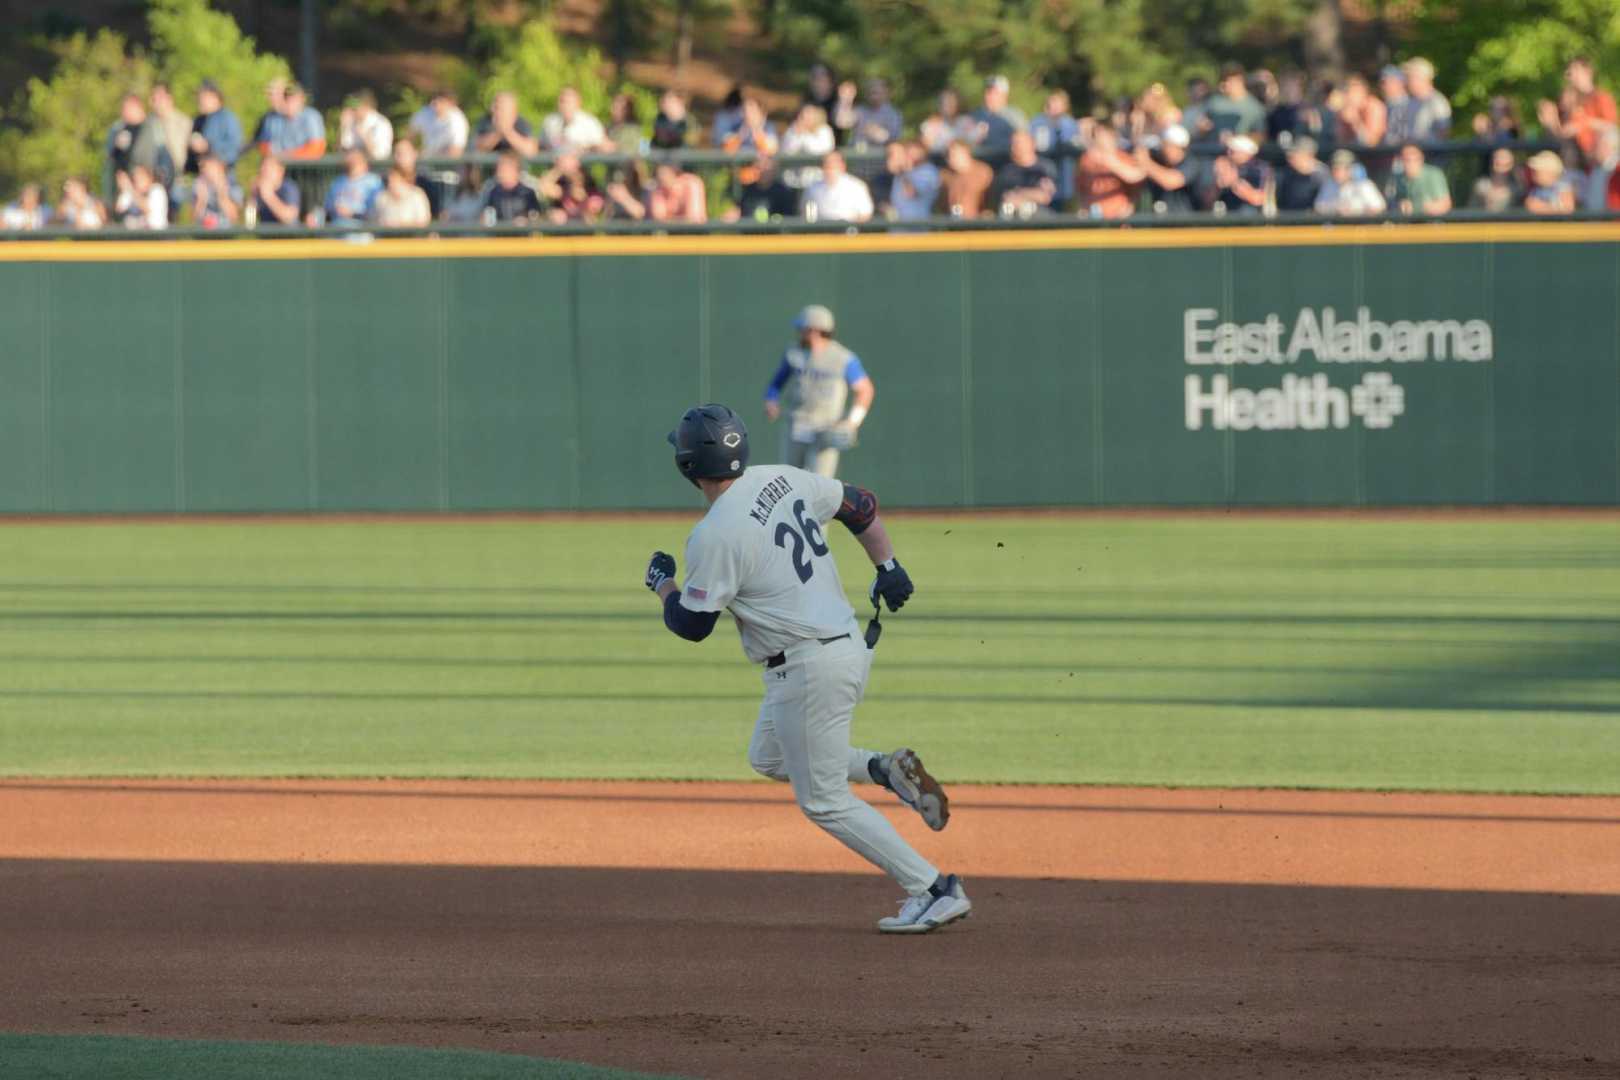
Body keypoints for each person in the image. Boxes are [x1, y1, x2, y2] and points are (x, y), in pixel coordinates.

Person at [646, 405, 968, 935]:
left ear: (687, 466)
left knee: (823, 802)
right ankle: (884, 770)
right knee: (770, 756)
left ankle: (933, 889)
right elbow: (859, 504)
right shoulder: (780, 477)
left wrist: (661, 581)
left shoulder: (714, 535)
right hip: (843, 648)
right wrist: (888, 566)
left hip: (808, 670)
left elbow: (691, 624)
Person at [762, 305, 875, 477]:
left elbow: (865, 390)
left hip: (825, 428)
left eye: (802, 328)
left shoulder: (843, 358)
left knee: (820, 484)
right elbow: (776, 383)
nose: (799, 332)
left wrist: (852, 422)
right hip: (797, 424)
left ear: (814, 330)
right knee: (789, 481)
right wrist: (771, 400)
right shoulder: (794, 353)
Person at [1539, 57, 1618, 160]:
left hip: (1599, 156)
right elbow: (1562, 133)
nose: (1571, 77)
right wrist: (1551, 121)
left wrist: (1583, 124)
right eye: (1569, 73)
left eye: (1575, 71)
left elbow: (1612, 127)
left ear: (1588, 72)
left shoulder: (1600, 97)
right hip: (1577, 157)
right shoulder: (1568, 100)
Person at [107, 93, 174, 191]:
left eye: (126, 109)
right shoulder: (120, 129)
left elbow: (164, 158)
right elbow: (113, 159)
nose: (123, 112)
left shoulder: (153, 128)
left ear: (137, 107)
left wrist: (158, 183)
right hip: (126, 187)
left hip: (148, 188)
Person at [1075, 124, 1144, 219]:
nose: (1100, 141)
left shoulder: (1123, 158)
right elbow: (1081, 187)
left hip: (1119, 216)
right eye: (1096, 137)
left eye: (1105, 137)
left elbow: (1135, 177)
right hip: (1094, 216)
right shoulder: (1087, 160)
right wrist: (1084, 207)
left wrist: (1108, 161)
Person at [1135, 124, 1201, 213]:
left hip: (1184, 223)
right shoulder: (1158, 160)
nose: (1164, 149)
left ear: (1179, 147)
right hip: (1157, 222)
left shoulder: (1191, 162)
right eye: (1164, 145)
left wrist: (1146, 162)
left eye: (1168, 145)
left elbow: (1170, 181)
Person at [1029, 90, 1080, 204]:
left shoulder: (1069, 123)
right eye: (1053, 102)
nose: (1055, 106)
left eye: (1059, 103)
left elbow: (1073, 143)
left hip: (1064, 167)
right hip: (1043, 164)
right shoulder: (1038, 122)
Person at [992, 130, 1057, 216]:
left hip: (1040, 215)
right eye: (1013, 144)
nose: (1015, 147)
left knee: (1027, 209)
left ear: (1032, 144)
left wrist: (1021, 194)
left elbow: (1044, 197)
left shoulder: (1045, 168)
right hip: (1012, 214)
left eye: (1020, 143)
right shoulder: (1006, 171)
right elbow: (1005, 197)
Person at [185, 81, 243, 177]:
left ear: (216, 97)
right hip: (201, 175)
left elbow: (236, 148)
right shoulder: (199, 120)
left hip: (223, 177)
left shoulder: (227, 118)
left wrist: (209, 146)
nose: (199, 100)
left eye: (203, 97)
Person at [314, 146, 382, 227]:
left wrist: (352, 214)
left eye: (356, 158)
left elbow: (375, 211)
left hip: (361, 227)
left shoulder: (373, 181)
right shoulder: (338, 181)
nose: (352, 161)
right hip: (336, 225)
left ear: (364, 161)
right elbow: (327, 206)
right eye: (350, 157)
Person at [802, 150, 872, 222]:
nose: (829, 168)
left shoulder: (857, 186)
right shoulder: (812, 188)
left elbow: (865, 215)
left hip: (849, 230)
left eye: (833, 165)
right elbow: (805, 214)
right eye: (826, 164)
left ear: (842, 166)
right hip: (820, 231)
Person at [1315, 149, 1386, 216]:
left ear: (1351, 169)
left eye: (1341, 168)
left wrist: (1355, 210)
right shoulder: (1329, 185)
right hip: (1337, 226)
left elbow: (1379, 207)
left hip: (1361, 226)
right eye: (1335, 168)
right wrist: (1336, 209)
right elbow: (1319, 207)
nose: (1337, 172)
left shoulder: (1364, 185)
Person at [881, 140, 940, 221]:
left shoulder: (928, 171)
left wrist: (904, 169)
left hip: (917, 228)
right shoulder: (901, 174)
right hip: (897, 229)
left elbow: (910, 193)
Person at [537, 153, 605, 223]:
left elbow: (592, 218)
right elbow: (543, 187)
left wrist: (583, 201)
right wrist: (560, 168)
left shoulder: (592, 193)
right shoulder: (565, 189)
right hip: (565, 228)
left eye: (578, 172)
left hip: (584, 229)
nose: (576, 176)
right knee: (558, 216)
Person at [1205, 62, 1266, 139]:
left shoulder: (1254, 107)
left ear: (1240, 80)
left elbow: (1261, 135)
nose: (1224, 84)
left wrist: (1238, 139)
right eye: (1223, 80)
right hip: (1212, 147)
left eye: (1228, 80)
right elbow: (1204, 124)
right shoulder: (1214, 101)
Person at [781, 104, 835, 190]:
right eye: (802, 114)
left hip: (817, 181)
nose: (805, 117)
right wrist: (798, 134)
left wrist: (805, 134)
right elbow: (787, 151)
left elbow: (820, 151)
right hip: (793, 180)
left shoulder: (825, 130)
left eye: (809, 114)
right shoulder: (793, 129)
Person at [1388, 142, 1451, 216]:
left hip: (1430, 225)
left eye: (1415, 159)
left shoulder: (1434, 175)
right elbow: (1389, 205)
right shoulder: (1396, 178)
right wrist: (1399, 207)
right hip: (1405, 225)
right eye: (1406, 159)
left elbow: (1445, 206)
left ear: (1422, 159)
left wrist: (1415, 208)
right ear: (1400, 160)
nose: (1411, 163)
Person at [1399, 58, 1451, 142]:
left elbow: (1444, 134)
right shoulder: (1410, 101)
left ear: (1422, 78)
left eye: (1409, 77)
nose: (1406, 81)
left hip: (1430, 153)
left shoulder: (1437, 101)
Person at [474, 90, 541, 157]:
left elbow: (531, 150)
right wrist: (497, 134)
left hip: (515, 165)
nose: (493, 109)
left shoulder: (522, 124)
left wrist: (508, 132)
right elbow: (477, 148)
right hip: (490, 166)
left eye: (498, 107)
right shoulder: (485, 121)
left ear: (512, 110)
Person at [148, 83, 192, 184]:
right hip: (154, 180)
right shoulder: (149, 123)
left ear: (169, 99)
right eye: (153, 99)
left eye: (159, 98)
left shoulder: (183, 122)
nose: (155, 103)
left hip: (178, 178)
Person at [971, 75, 1026, 155]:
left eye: (994, 93)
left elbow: (1023, 141)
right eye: (987, 92)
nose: (988, 96)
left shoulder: (1015, 116)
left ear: (1004, 95)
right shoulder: (976, 115)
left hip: (1006, 158)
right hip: (980, 158)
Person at [484, 151, 545, 222]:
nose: (500, 173)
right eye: (499, 169)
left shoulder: (528, 193)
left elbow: (537, 217)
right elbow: (488, 218)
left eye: (504, 169)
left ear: (515, 170)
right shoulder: (493, 193)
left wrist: (526, 220)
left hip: (522, 232)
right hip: (500, 232)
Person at [542, 86, 607, 153]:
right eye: (562, 101)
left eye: (569, 102)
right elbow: (543, 145)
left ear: (578, 103)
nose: (565, 105)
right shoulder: (550, 121)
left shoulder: (590, 123)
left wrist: (583, 148)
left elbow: (603, 146)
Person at [391, 137, 442, 220]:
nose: (398, 158)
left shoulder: (426, 185)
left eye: (402, 153)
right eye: (396, 153)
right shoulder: (386, 184)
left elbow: (435, 216)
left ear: (414, 154)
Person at [408, 90, 470, 158]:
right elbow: (409, 136)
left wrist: (426, 154)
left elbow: (456, 151)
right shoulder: (425, 113)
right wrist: (411, 152)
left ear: (450, 103)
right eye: (434, 100)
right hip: (425, 163)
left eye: (440, 101)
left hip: (447, 165)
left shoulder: (458, 121)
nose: (434, 104)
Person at [941, 139, 994, 217]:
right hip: (952, 223)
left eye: (955, 154)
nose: (951, 158)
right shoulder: (946, 175)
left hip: (977, 223)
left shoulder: (983, 172)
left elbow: (990, 199)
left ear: (966, 153)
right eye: (948, 155)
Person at [1274, 135, 1325, 212]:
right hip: (1288, 219)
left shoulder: (1322, 175)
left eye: (1295, 153)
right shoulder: (1287, 174)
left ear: (1309, 155)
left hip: (1314, 221)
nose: (1290, 157)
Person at [339, 89, 394, 160]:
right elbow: (341, 152)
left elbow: (379, 155)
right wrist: (343, 128)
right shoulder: (351, 123)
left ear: (366, 106)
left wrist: (364, 135)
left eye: (354, 108)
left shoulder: (381, 123)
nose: (351, 111)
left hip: (378, 168)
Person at [191, 155, 242, 228]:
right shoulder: (198, 185)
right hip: (203, 233)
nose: (206, 172)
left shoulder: (233, 186)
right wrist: (201, 200)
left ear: (220, 169)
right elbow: (193, 220)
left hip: (226, 233)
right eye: (204, 169)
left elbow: (234, 218)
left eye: (210, 169)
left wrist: (221, 195)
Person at [1336, 74, 1387, 146]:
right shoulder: (1346, 109)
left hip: (1377, 152)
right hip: (1354, 150)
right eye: (1348, 92)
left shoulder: (1375, 107)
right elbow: (1341, 141)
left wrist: (1356, 122)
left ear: (1364, 92)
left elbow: (1372, 142)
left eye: (1354, 92)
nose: (1349, 96)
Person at [919, 89, 976, 154]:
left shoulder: (966, 122)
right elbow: (925, 147)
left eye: (952, 102)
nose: (949, 106)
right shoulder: (931, 124)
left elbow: (973, 143)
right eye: (945, 103)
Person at [1468, 148, 1524, 212]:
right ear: (1492, 163)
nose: (1502, 168)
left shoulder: (1517, 189)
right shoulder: (1481, 186)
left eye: (1506, 164)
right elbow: (1472, 210)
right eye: (1498, 163)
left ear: (1512, 165)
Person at [851, 79, 903, 149]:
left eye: (878, 93)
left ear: (886, 93)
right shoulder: (859, 110)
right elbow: (843, 122)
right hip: (859, 153)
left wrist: (878, 133)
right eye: (871, 92)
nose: (874, 96)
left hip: (883, 155)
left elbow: (894, 139)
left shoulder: (894, 114)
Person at [113, 164, 167, 228]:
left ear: (150, 178)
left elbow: (147, 209)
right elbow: (118, 210)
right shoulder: (132, 193)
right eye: (136, 179)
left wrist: (130, 189)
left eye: (141, 178)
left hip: (155, 234)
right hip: (133, 235)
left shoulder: (157, 190)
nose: (138, 182)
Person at [252, 155, 301, 226]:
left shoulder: (289, 188)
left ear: (280, 171)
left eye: (268, 168)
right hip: (267, 235)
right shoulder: (260, 189)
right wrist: (253, 196)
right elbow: (251, 220)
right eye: (263, 167)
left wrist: (268, 196)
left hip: (288, 236)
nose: (264, 171)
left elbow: (289, 218)